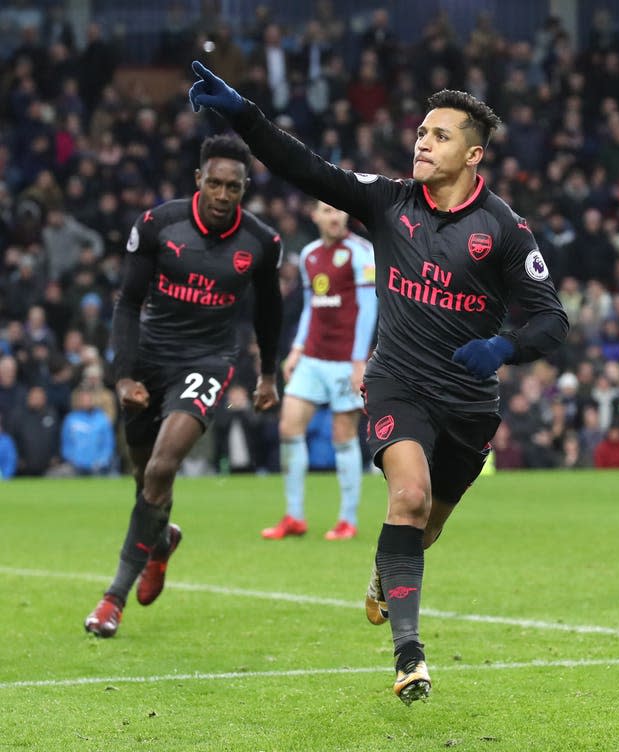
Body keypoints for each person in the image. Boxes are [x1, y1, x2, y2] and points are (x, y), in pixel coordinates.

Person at [188, 61, 569, 704]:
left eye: (440, 135)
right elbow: (304, 166)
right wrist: (244, 115)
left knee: (427, 526)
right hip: (395, 381)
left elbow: (552, 319)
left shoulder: (504, 229)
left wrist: (505, 345)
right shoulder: (387, 201)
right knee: (410, 497)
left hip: (470, 404)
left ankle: (382, 574)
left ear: (474, 154)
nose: (422, 142)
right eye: (421, 131)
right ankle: (410, 656)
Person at [84, 134, 283, 638]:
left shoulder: (261, 243)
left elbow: (269, 312)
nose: (222, 195)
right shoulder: (158, 224)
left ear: (245, 188)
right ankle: (159, 541)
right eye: (214, 183)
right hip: (149, 357)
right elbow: (128, 303)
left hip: (208, 362)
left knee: (162, 465)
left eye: (232, 187)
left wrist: (266, 374)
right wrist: (124, 375)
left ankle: (112, 600)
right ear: (198, 180)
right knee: (146, 480)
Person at [261, 200, 377, 541]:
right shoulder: (310, 254)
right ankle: (294, 515)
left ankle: (347, 519)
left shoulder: (360, 251)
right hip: (312, 357)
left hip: (345, 360)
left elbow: (370, 308)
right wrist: (297, 349)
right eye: (326, 211)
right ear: (315, 216)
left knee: (342, 434)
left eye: (339, 210)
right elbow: (312, 307)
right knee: (288, 427)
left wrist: (359, 361)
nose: (335, 216)